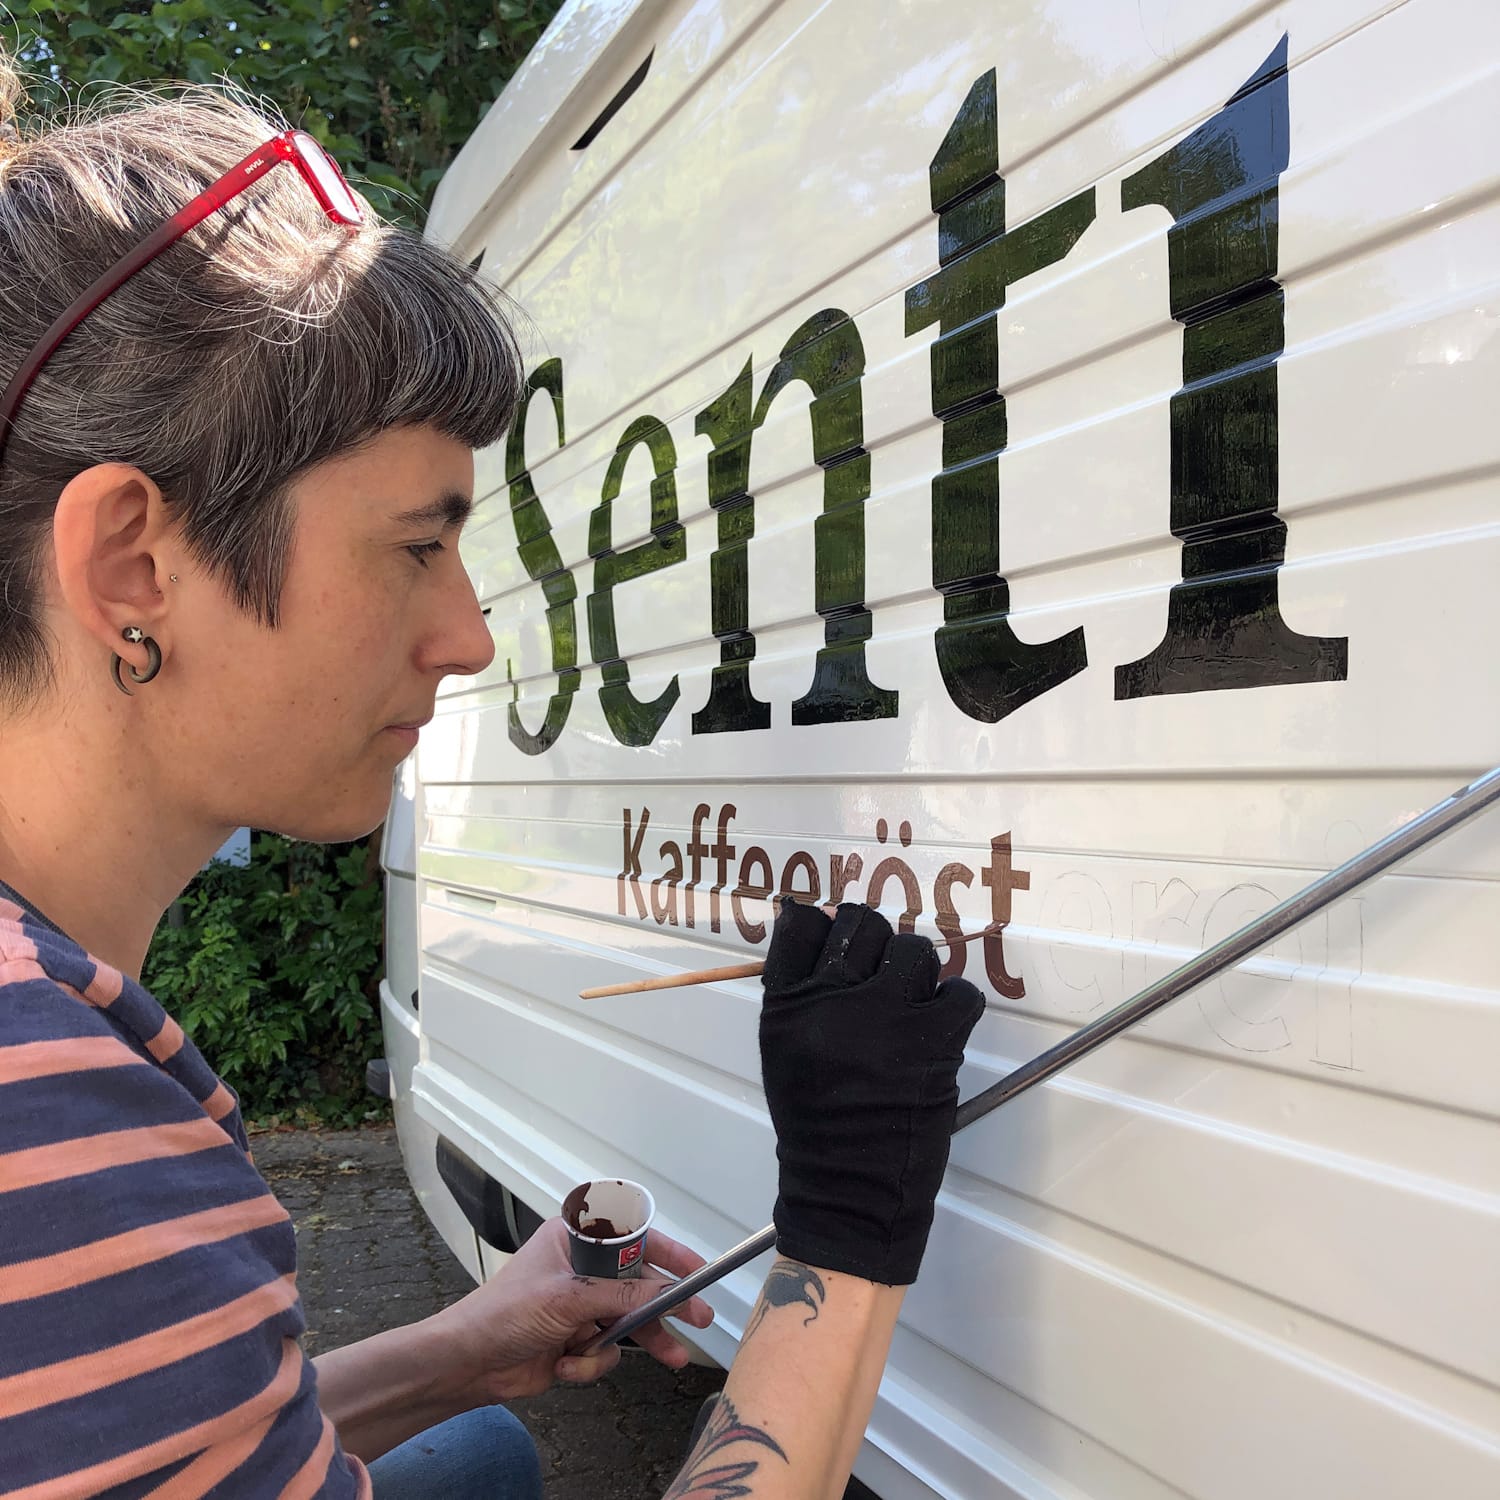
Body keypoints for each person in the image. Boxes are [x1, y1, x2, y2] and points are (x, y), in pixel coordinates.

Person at [0, 55, 985, 1500]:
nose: (465, 636)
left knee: (476, 1450)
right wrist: (845, 1228)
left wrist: (460, 1345)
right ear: (134, 565)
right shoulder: (56, 1142)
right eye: (415, 544)